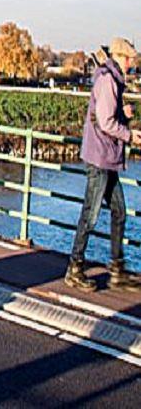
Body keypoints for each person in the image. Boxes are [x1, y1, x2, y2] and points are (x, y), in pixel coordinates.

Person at [65, 37, 141, 291]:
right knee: (91, 213)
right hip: (100, 158)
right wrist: (130, 135)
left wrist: (123, 114)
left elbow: (105, 116)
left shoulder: (109, 77)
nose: (133, 65)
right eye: (131, 59)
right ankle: (75, 268)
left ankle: (117, 268)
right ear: (123, 58)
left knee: (119, 210)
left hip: (105, 156)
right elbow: (106, 123)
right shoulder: (109, 80)